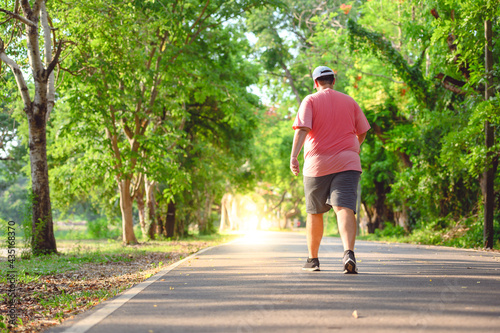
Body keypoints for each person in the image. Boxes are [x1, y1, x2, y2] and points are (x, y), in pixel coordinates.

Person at [290, 66, 370, 274]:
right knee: (344, 207)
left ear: (316, 83)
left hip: (317, 164)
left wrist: (294, 157)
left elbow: (302, 130)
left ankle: (313, 260)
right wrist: (354, 147)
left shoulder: (310, 100)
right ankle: (348, 254)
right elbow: (362, 131)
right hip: (348, 163)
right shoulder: (349, 101)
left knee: (315, 212)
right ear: (333, 81)